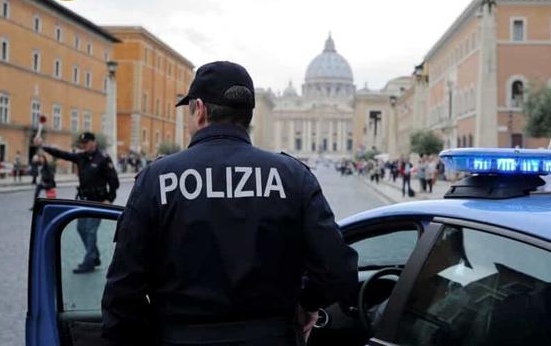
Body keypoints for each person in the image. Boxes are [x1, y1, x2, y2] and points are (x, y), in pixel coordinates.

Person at [101, 61, 358, 346]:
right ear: (248, 115)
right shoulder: (292, 176)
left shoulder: (155, 178)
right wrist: (307, 303)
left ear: (199, 110)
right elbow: (338, 271)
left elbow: (123, 291)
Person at [33, 132, 119, 274]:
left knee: (90, 231)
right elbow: (61, 154)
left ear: (93, 142)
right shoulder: (81, 157)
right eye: (82, 144)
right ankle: (94, 255)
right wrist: (42, 146)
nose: (84, 146)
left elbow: (114, 182)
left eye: (86, 143)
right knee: (81, 229)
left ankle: (89, 261)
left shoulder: (103, 158)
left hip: (98, 201)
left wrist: (109, 199)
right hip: (83, 200)